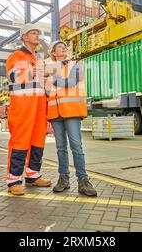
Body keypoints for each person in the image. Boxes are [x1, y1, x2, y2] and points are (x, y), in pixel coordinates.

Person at [45, 41, 97, 197]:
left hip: (72, 110)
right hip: (55, 112)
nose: (64, 49)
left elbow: (72, 82)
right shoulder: (49, 69)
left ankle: (83, 181)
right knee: (61, 148)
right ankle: (63, 179)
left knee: (76, 146)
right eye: (60, 47)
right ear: (53, 53)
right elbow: (47, 92)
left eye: (64, 47)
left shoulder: (76, 64)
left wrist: (53, 79)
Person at [4, 23, 51, 196]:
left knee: (38, 141)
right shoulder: (16, 56)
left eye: (38, 33)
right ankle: (14, 180)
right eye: (33, 33)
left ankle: (33, 176)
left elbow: (45, 83)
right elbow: (13, 76)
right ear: (24, 36)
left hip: (39, 106)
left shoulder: (39, 59)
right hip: (23, 106)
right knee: (20, 141)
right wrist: (35, 70)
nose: (37, 36)